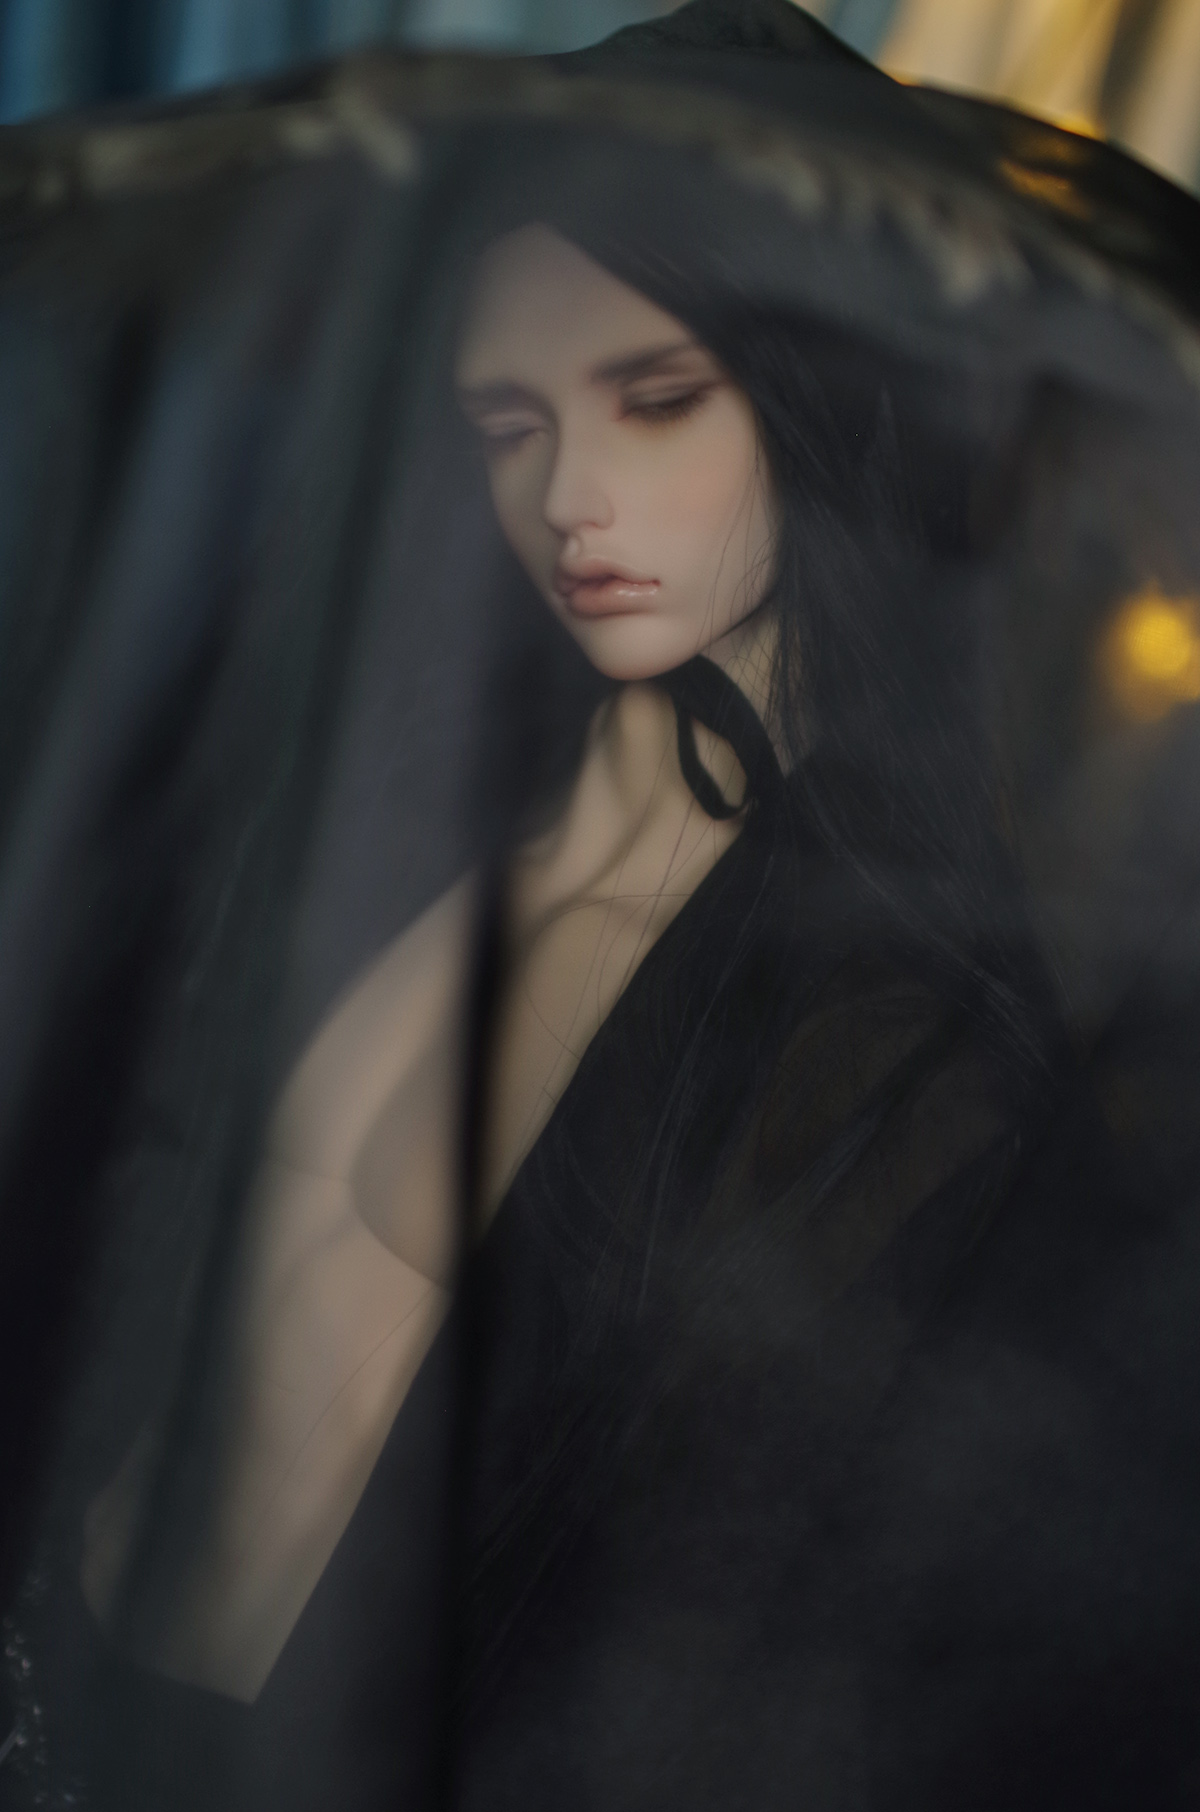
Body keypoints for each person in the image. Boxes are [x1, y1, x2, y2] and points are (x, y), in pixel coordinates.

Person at [6, 5, 1200, 1809]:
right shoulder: (390, 794)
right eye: (507, 421)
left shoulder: (887, 1018)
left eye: (655, 399)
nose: (568, 498)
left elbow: (732, 1643)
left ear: (809, 389)